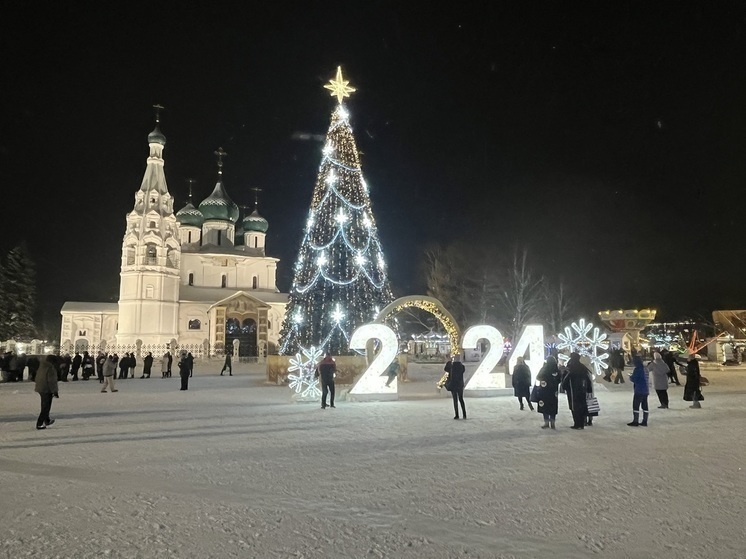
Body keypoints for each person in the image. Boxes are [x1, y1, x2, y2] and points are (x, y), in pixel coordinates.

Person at [561, 352, 591, 430]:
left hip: (572, 391)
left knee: (574, 407)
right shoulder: (582, 367)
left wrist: (563, 386)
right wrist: (588, 389)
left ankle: (577, 423)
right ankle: (581, 423)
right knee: (581, 406)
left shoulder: (570, 367)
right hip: (582, 390)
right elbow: (587, 379)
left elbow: (566, 378)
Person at [35, 355, 59, 430]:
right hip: (46, 388)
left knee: (45, 405)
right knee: (46, 407)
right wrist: (54, 391)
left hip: (41, 387)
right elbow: (51, 381)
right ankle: (40, 423)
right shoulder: (50, 368)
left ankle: (47, 420)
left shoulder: (42, 366)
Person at [536, 356, 560, 429]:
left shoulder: (544, 369)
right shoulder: (556, 369)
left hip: (544, 391)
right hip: (553, 392)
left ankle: (546, 422)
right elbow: (560, 379)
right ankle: (552, 423)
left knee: (545, 406)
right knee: (553, 406)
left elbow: (538, 377)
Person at [628, 355, 650, 426]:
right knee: (645, 405)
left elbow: (635, 379)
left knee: (636, 405)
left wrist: (630, 377)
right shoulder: (645, 369)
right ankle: (645, 421)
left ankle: (635, 421)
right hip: (646, 389)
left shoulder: (637, 369)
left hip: (639, 389)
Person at [448, 354, 467, 420]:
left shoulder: (452, 366)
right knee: (461, 399)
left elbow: (446, 369)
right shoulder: (462, 367)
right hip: (460, 385)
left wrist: (449, 361)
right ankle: (464, 414)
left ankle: (457, 415)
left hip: (454, 385)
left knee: (455, 400)